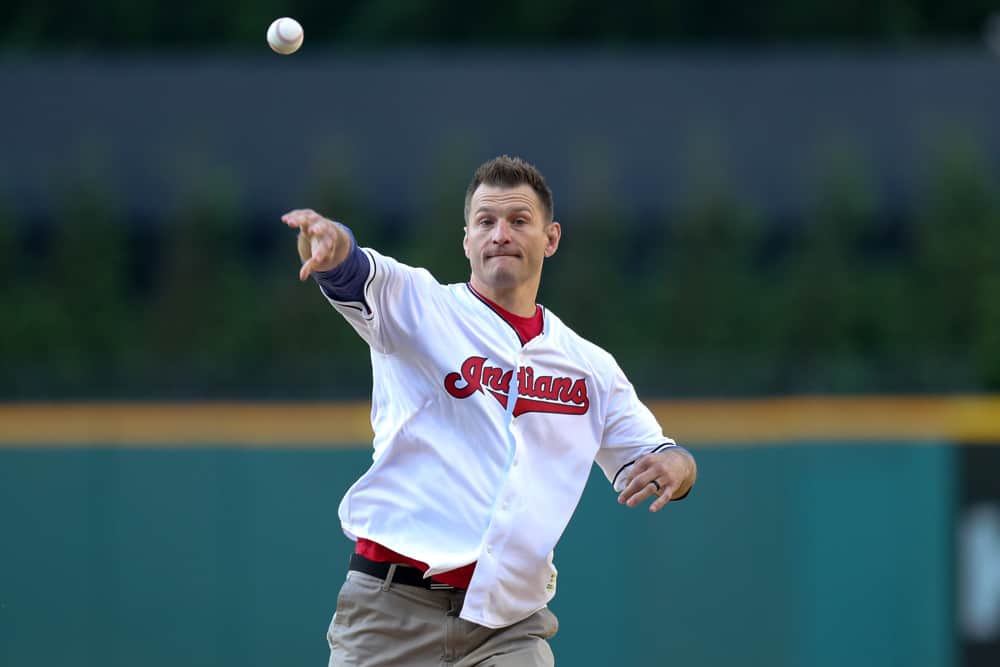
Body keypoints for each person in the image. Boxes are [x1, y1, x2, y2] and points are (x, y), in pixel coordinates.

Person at [282, 155, 697, 667]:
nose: (500, 233)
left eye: (518, 220)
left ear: (551, 238)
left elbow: (657, 452)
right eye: (486, 221)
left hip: (508, 626)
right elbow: (354, 270)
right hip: (392, 610)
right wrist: (333, 244)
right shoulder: (422, 307)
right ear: (467, 241)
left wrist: (678, 466)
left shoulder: (590, 368)